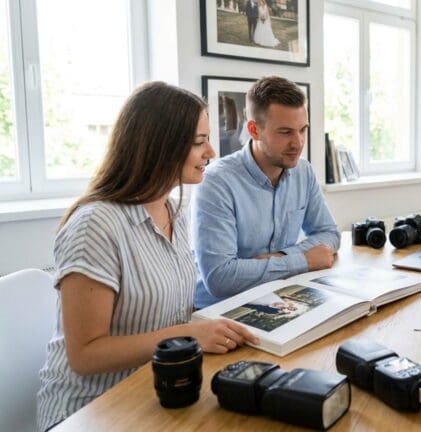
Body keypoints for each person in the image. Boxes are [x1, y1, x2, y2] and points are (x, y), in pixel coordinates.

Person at [36, 82, 259, 432]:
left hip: (155, 391)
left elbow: (172, 313)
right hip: (89, 411)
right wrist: (190, 334)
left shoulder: (174, 211)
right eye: (199, 142)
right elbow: (85, 355)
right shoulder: (94, 226)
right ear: (161, 146)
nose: (211, 152)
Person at [192, 76, 340, 309]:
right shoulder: (216, 183)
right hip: (220, 310)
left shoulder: (303, 171)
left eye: (303, 130)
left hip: (280, 299)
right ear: (254, 130)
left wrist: (281, 257)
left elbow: (329, 234)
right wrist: (302, 260)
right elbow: (220, 278)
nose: (298, 143)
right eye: (285, 132)